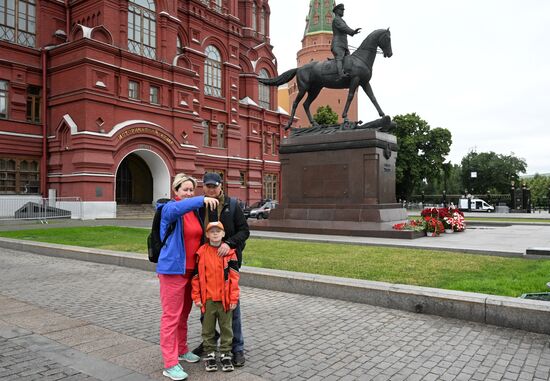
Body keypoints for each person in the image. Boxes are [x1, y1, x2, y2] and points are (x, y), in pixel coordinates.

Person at [157, 173, 219, 381]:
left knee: (183, 314)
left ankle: (182, 350)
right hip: (172, 271)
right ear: (175, 191)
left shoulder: (193, 212)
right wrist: (201, 199)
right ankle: (169, 363)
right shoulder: (168, 209)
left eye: (192, 190)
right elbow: (176, 209)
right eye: (185, 190)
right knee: (171, 317)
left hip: (190, 272)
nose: (189, 193)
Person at [192, 172, 250, 367]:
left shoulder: (232, 205)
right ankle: (210, 339)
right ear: (203, 187)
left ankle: (237, 348)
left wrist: (230, 243)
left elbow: (245, 231)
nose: (211, 189)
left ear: (221, 186)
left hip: (228, 263)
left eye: (214, 186)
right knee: (206, 308)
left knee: (231, 308)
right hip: (205, 262)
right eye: (207, 186)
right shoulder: (199, 206)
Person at [192, 221, 240, 372]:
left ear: (223, 234)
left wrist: (233, 299)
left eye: (218, 231)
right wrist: (197, 297)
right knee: (208, 330)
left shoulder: (230, 253)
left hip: (225, 300)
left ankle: (226, 354)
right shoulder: (201, 252)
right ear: (207, 234)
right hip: (208, 300)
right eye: (211, 231)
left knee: (227, 329)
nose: (214, 233)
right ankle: (210, 354)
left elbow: (234, 278)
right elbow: (196, 277)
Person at [331, 3, 361, 79]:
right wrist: (353, 32)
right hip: (338, 44)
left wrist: (352, 32)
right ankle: (340, 74)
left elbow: (345, 27)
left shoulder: (341, 20)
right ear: (337, 11)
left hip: (343, 45)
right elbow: (344, 28)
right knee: (340, 58)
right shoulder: (336, 20)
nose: (343, 11)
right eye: (341, 10)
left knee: (348, 60)